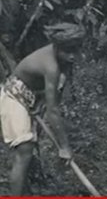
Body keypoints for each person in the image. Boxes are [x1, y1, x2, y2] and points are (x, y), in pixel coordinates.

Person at [0, 22, 85, 195]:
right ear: (57, 46)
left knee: (28, 153)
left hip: (32, 97)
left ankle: (25, 191)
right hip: (14, 96)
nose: (73, 56)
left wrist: (41, 104)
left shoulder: (65, 59)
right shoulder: (50, 65)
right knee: (24, 151)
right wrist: (64, 147)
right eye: (68, 51)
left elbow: (56, 93)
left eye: (76, 50)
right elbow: (53, 111)